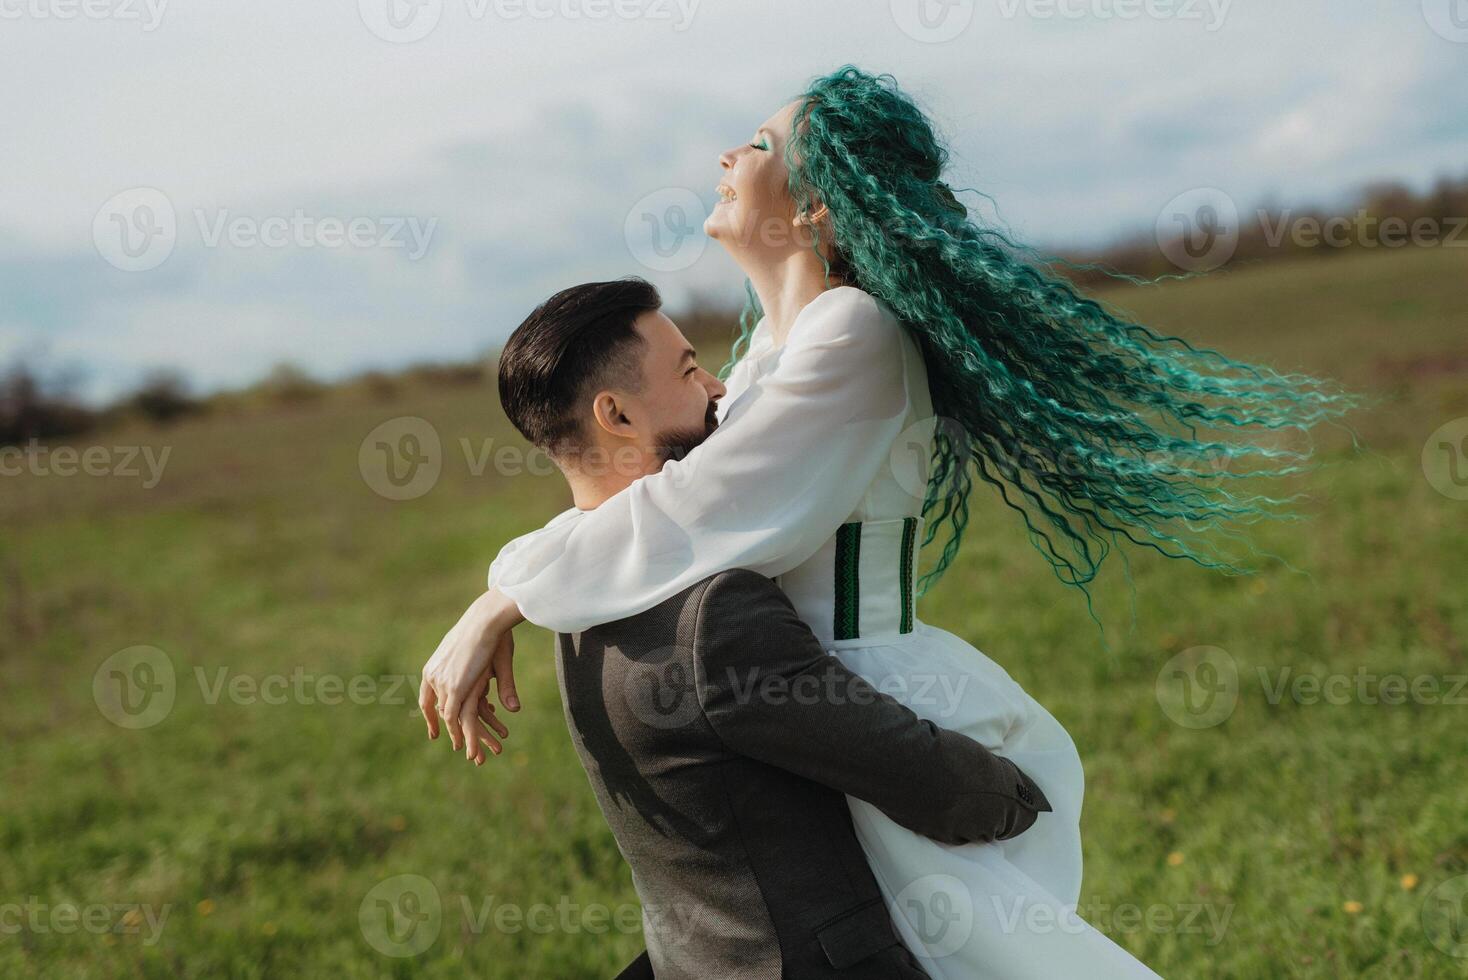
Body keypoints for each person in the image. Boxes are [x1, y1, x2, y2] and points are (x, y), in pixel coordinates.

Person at [422, 67, 1351, 976]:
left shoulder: (851, 332)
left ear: (817, 207)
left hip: (863, 705)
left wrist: (499, 603)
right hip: (799, 693)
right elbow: (654, 511)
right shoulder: (764, 359)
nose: (726, 156)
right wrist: (500, 599)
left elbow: (688, 514)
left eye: (756, 146)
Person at [477, 277, 1052, 978]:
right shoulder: (712, 616)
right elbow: (928, 781)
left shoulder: (569, 610)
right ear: (616, 416)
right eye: (688, 371)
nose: (717, 388)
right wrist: (1027, 793)